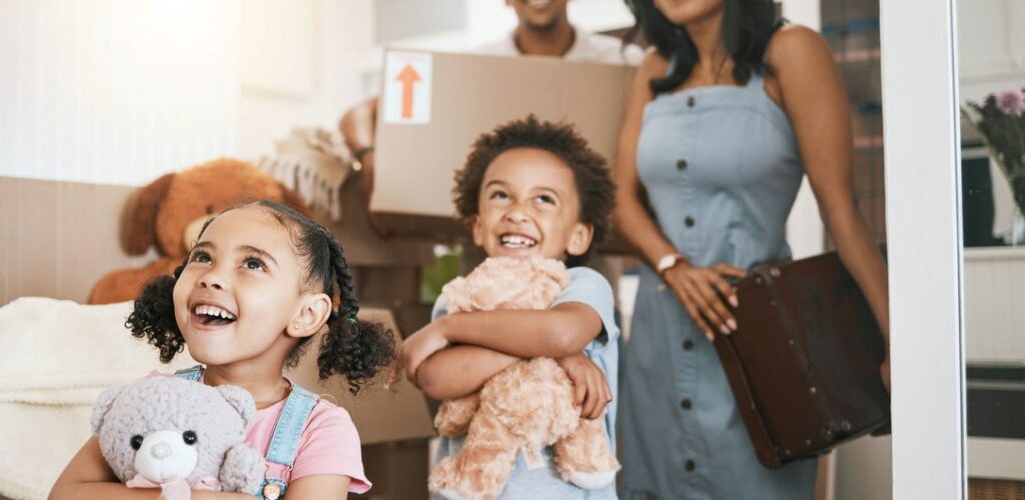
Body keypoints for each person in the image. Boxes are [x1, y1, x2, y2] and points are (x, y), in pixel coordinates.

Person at [613, 0, 891, 498]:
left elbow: (843, 211)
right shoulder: (655, 67)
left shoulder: (794, 51)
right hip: (656, 347)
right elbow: (623, 200)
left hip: (758, 339)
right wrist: (673, 266)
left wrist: (898, 343)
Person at [49, 200, 397, 500]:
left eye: (253, 264)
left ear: (305, 314)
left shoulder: (320, 428)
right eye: (202, 256)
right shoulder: (154, 397)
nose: (211, 277)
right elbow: (65, 494)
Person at [400, 115, 621, 499]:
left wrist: (448, 330)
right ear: (477, 226)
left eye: (543, 199)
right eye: (501, 195)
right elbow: (437, 379)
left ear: (579, 234)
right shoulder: (461, 296)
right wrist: (559, 357)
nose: (518, 211)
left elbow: (561, 332)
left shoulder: (583, 286)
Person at [339, 0, 640, 207]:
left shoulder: (623, 62)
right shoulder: (479, 66)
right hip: (491, 249)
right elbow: (359, 113)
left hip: (588, 253)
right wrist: (369, 159)